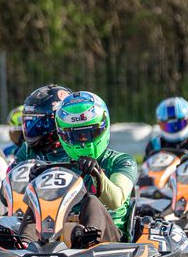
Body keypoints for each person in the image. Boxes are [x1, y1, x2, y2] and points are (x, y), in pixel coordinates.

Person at [54, 91, 138, 247]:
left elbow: (116, 200)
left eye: (87, 134)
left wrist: (96, 173)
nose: (82, 142)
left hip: (111, 239)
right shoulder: (60, 166)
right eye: (74, 136)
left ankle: (87, 242)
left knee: (91, 200)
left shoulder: (122, 161)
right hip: (63, 233)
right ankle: (23, 245)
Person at [12, 84, 72, 164]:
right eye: (28, 122)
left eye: (40, 124)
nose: (32, 129)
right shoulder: (27, 150)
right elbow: (10, 174)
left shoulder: (74, 150)